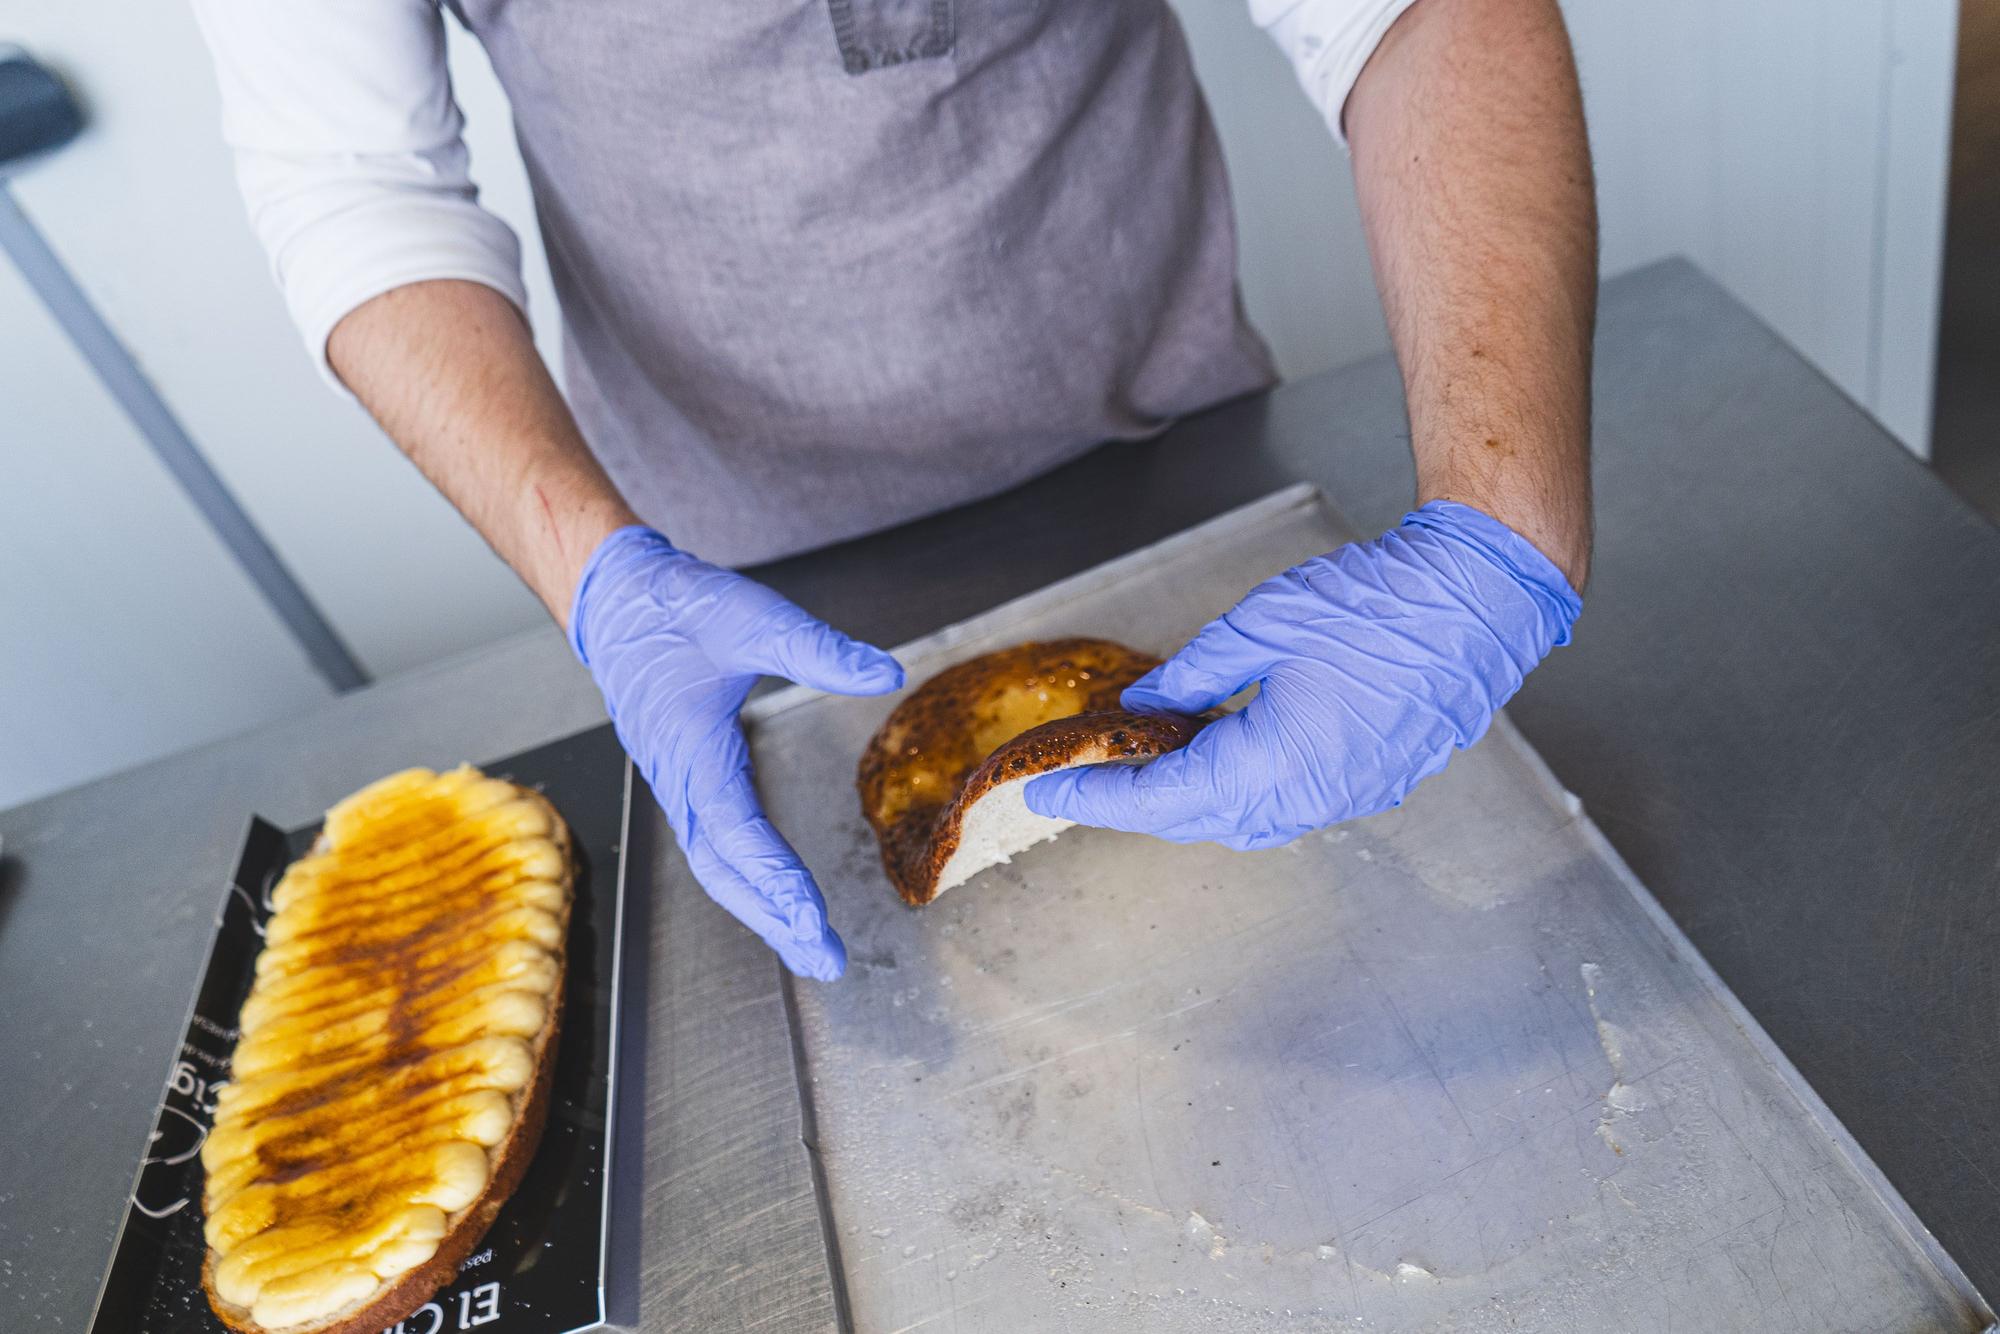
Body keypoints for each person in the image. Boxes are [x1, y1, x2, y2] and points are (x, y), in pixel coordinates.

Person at [192, 0, 1594, 981]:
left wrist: (1502, 522)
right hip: (723, 568)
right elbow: (359, 184)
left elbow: (1401, 6)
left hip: (1184, 457)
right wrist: (590, 567)